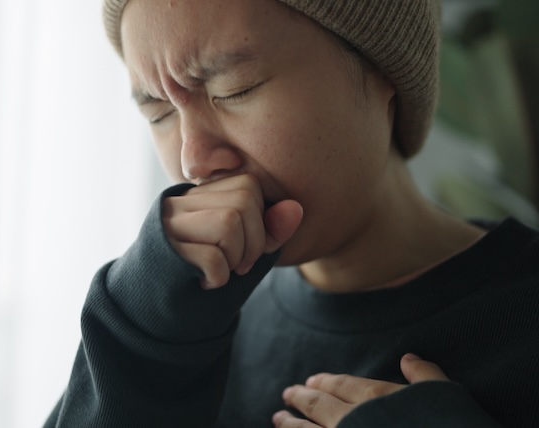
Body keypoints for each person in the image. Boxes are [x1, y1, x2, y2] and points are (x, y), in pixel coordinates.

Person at [45, 0, 539, 426]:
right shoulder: (186, 329)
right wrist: (136, 333)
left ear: (383, 67)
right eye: (159, 112)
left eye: (235, 88)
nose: (191, 160)